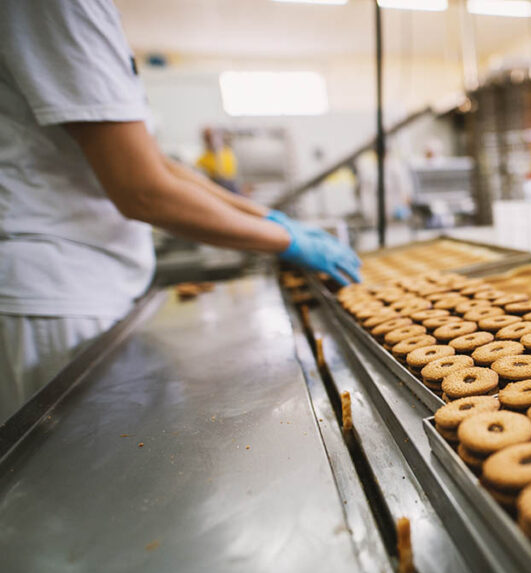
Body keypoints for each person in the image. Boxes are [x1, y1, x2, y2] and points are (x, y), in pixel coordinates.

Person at [0, 0, 361, 423]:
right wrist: (285, 240)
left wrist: (267, 218)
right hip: (58, 287)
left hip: (89, 279)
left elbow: (158, 166)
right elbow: (142, 189)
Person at [196, 127, 240, 193]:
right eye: (208, 138)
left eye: (213, 137)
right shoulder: (202, 159)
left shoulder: (227, 152)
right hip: (215, 187)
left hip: (230, 186)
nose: (211, 140)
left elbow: (229, 174)